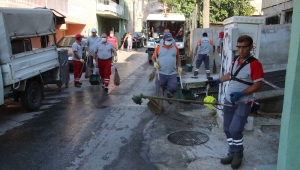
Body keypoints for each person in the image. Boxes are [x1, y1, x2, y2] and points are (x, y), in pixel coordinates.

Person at [207, 35, 264, 169]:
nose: (241, 50)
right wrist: (217, 81)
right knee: (227, 129)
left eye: (244, 47)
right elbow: (230, 75)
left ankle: (238, 154)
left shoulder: (255, 64)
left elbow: (258, 85)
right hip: (229, 100)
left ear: (251, 47)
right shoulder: (236, 60)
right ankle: (231, 152)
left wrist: (242, 94)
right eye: (239, 47)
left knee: (235, 129)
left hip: (244, 102)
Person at [152, 33, 182, 104]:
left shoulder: (175, 47)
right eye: (168, 40)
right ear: (164, 40)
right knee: (159, 88)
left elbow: (178, 57)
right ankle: (160, 102)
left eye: (170, 40)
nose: (169, 41)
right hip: (161, 72)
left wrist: (179, 67)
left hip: (172, 73)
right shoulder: (159, 47)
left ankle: (170, 94)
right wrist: (154, 63)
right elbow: (153, 57)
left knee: (174, 87)